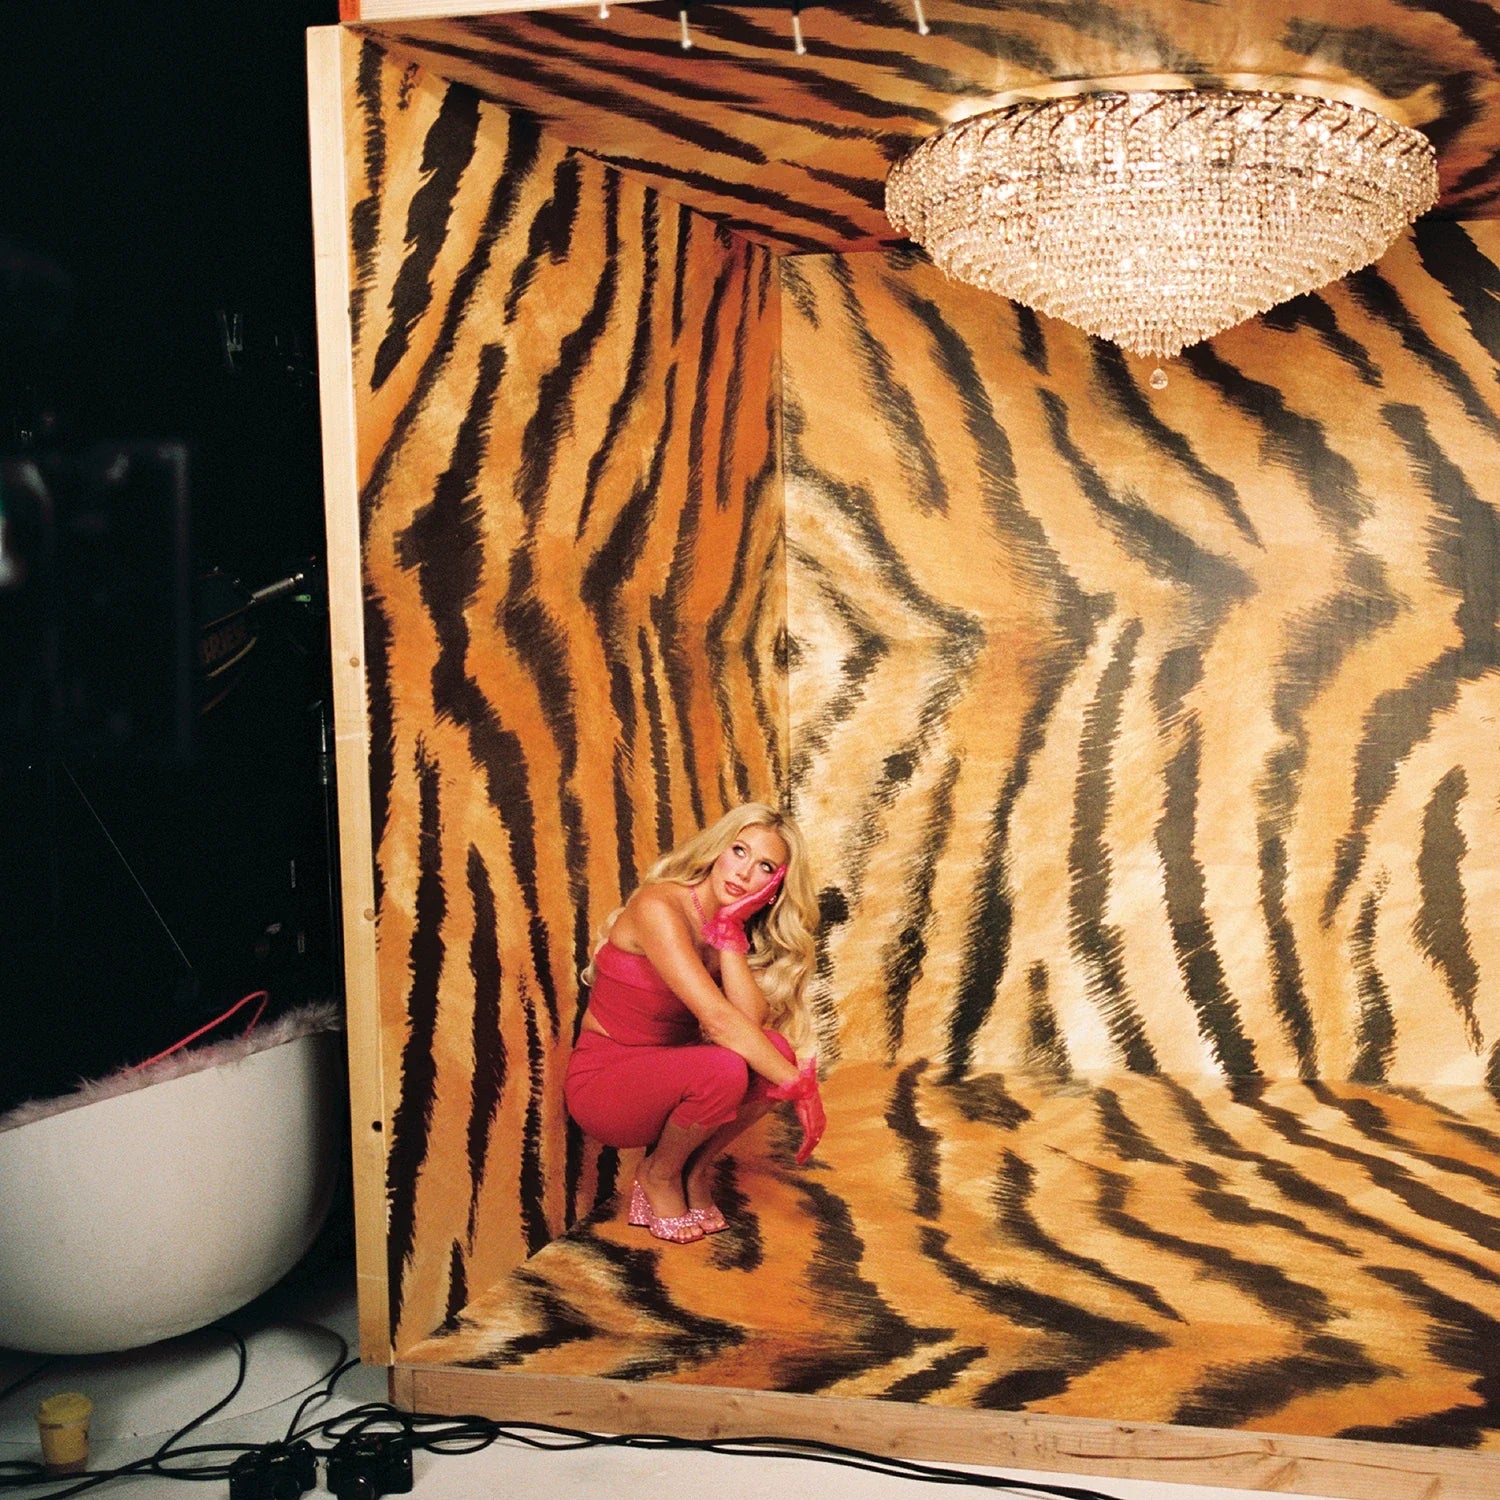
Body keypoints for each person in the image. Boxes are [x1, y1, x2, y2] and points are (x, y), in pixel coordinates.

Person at [564, 802, 826, 1244]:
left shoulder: (723, 926)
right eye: (739, 851)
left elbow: (748, 1024)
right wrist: (801, 1087)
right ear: (718, 848)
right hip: (606, 1085)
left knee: (773, 1051)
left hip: (672, 1077)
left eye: (764, 867)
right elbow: (721, 1023)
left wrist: (729, 931)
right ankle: (658, 1175)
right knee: (730, 1068)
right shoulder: (659, 906)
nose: (744, 872)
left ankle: (695, 1170)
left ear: (775, 886)